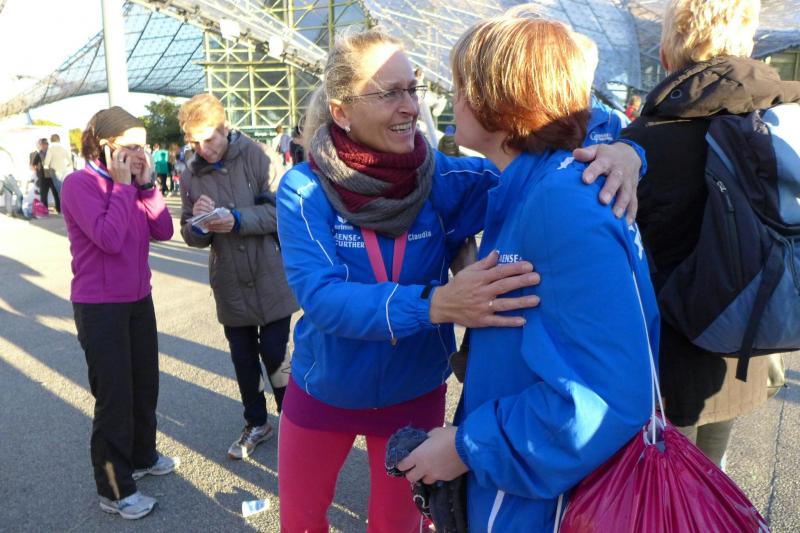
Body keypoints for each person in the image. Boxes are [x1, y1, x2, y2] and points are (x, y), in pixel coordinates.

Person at [275, 27, 645, 532]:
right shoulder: (305, 187)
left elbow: (544, 139)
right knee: (299, 522)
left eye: (413, 89)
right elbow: (321, 297)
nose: (411, 107)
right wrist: (436, 305)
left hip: (411, 394)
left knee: (396, 528)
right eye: (389, 93)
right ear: (341, 111)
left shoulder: (445, 179)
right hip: (325, 390)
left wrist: (626, 150)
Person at [397, 13, 658, 532]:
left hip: (543, 503)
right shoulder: (549, 182)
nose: (454, 99)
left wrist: (466, 447)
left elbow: (607, 397)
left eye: (462, 86)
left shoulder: (558, 202)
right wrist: (632, 150)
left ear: (498, 100)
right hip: (536, 485)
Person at [622, 0, 800, 467]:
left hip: (666, 364)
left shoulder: (641, 142)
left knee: (665, 485)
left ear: (666, 55)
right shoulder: (774, 123)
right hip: (747, 342)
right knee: (712, 476)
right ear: (750, 44)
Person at [61, 106, 178, 520]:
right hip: (99, 306)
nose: (141, 154)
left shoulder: (134, 184)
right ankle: (114, 489)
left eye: (144, 146)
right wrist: (124, 186)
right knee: (114, 397)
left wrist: (145, 186)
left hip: (138, 298)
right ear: (106, 147)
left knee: (145, 385)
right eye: (132, 147)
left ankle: (142, 455)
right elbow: (109, 239)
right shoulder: (79, 184)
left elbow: (164, 230)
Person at [178, 94, 298, 460]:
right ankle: (256, 422)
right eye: (195, 142)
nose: (203, 149)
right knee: (243, 358)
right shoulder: (190, 174)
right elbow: (189, 232)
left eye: (209, 138)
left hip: (269, 272)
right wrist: (199, 224)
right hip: (229, 278)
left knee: (275, 353)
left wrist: (238, 219)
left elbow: (284, 211)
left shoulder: (258, 155)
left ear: (224, 126)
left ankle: (294, 421)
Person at [31, 138, 60, 214]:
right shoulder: (37, 154)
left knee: (56, 193)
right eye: (43, 144)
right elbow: (33, 165)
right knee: (43, 195)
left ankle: (59, 209)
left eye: (46, 144)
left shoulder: (51, 153)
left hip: (52, 176)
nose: (44, 146)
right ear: (40, 145)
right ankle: (44, 210)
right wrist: (38, 170)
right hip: (43, 177)